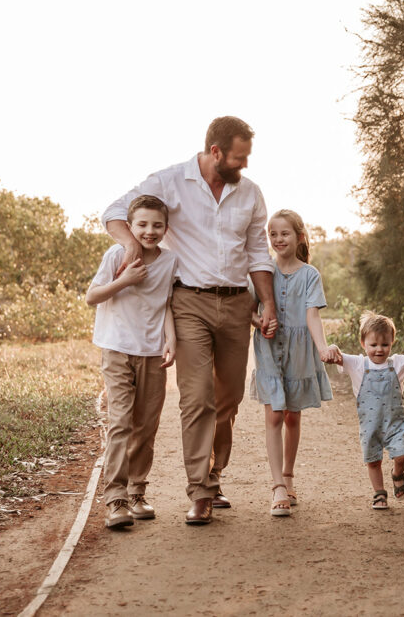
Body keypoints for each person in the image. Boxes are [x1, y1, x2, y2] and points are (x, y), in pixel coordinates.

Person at [102, 116, 276, 526]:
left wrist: (266, 302)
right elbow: (113, 210)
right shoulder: (169, 182)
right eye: (238, 157)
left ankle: (214, 478)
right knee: (197, 398)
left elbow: (257, 252)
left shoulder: (250, 193)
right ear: (215, 152)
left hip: (236, 305)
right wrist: (130, 241)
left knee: (229, 398)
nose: (245, 165)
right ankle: (199, 491)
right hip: (189, 303)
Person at [86, 195, 180, 528]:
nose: (149, 231)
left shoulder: (170, 262)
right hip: (117, 348)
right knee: (121, 422)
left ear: (166, 228)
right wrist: (124, 279)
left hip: (152, 351)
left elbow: (165, 303)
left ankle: (138, 492)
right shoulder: (117, 255)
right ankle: (116, 500)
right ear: (130, 226)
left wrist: (171, 338)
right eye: (141, 224)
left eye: (156, 225)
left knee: (146, 426)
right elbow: (91, 297)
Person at [250, 209, 338, 517]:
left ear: (299, 237)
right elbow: (248, 310)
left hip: (300, 352)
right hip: (269, 349)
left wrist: (323, 347)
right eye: (272, 234)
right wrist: (260, 321)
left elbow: (313, 315)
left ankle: (288, 475)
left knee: (292, 417)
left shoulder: (310, 274)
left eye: (284, 233)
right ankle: (277, 487)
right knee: (275, 414)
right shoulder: (262, 272)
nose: (277, 239)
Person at [326, 313, 404, 510]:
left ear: (392, 342)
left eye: (384, 345)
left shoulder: (397, 364)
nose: (379, 350)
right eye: (373, 345)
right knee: (373, 461)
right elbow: (337, 356)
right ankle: (379, 493)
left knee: (403, 455)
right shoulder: (358, 364)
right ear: (363, 343)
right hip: (370, 426)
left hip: (394, 424)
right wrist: (332, 348)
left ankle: (397, 475)